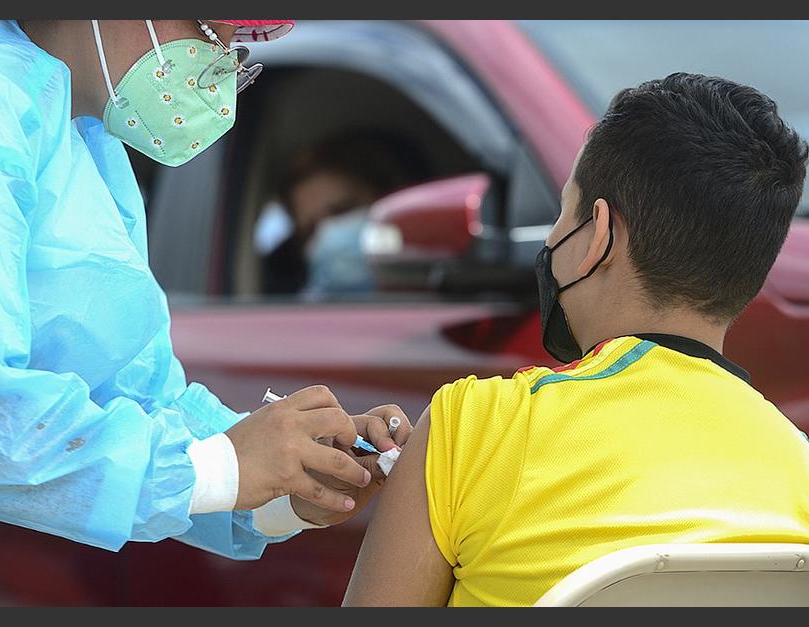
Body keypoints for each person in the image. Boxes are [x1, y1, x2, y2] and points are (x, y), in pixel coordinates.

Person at [0, 20, 412, 607]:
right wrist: (222, 467)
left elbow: (129, 393)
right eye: (213, 28)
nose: (221, 63)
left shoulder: (78, 136)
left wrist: (291, 480)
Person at [343, 73, 809, 606]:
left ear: (599, 237)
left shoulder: (474, 428)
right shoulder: (799, 467)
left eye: (564, 213)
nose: (551, 240)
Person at [255, 132, 428, 296]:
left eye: (343, 212)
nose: (329, 235)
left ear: (388, 199)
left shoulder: (445, 295)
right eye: (310, 230)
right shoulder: (299, 318)